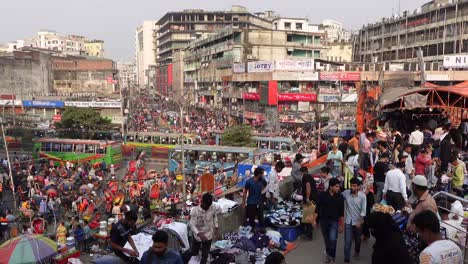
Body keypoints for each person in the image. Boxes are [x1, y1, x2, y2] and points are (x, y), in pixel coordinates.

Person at [316, 178, 344, 264]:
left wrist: (341, 225)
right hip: (323, 221)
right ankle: (328, 255)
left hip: (334, 221)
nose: (338, 188)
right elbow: (317, 208)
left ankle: (332, 257)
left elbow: (341, 212)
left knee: (333, 239)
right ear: (331, 187)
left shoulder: (340, 197)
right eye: (336, 187)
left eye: (339, 187)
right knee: (327, 240)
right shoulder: (322, 195)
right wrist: (314, 220)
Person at [342, 177, 367, 263]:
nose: (352, 188)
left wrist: (360, 221)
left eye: (354, 186)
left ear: (358, 187)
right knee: (347, 242)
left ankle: (357, 251)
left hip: (358, 222)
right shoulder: (346, 193)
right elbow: (338, 196)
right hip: (348, 221)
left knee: (357, 239)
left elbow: (363, 211)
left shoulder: (363, 197)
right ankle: (347, 259)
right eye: (351, 186)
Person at [189, 193, 218, 264]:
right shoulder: (194, 210)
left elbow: (215, 216)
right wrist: (199, 234)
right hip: (197, 235)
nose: (207, 208)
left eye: (209, 206)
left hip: (208, 234)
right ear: (202, 201)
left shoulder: (213, 206)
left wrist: (217, 227)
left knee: (205, 254)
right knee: (194, 252)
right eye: (206, 206)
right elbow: (192, 224)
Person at [301, 168, 318, 239]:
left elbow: (308, 186)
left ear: (302, 172)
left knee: (308, 216)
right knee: (310, 215)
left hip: (310, 199)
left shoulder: (306, 176)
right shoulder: (310, 176)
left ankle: (309, 234)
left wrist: (307, 198)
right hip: (313, 198)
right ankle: (308, 233)